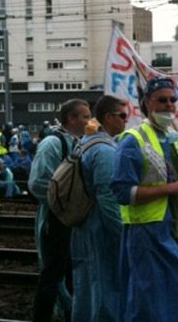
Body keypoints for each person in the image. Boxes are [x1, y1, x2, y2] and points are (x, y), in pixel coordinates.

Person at [110, 77, 178, 322]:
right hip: (145, 230)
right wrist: (172, 188)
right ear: (147, 103)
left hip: (172, 227)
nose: (169, 105)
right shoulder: (132, 140)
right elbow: (122, 193)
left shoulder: (173, 139)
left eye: (173, 100)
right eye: (162, 100)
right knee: (148, 297)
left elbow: (175, 178)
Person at [29, 99, 91, 322]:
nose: (89, 121)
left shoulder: (79, 143)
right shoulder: (52, 143)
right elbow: (37, 183)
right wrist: (66, 203)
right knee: (53, 274)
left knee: (71, 272)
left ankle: (69, 313)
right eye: (85, 116)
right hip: (56, 219)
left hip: (73, 219)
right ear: (71, 118)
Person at [71, 95, 127, 321]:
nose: (126, 120)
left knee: (85, 285)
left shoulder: (85, 142)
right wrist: (121, 232)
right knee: (105, 285)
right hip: (100, 228)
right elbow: (108, 198)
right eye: (122, 115)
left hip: (83, 224)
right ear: (108, 117)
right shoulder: (105, 151)